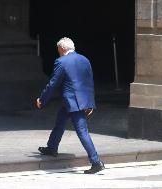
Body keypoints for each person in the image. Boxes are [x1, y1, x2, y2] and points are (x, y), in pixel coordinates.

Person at [36, 37, 105, 174]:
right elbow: (89, 83)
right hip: (76, 102)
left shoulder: (61, 62)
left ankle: (96, 161)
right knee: (60, 122)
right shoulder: (85, 59)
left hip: (73, 102)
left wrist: (42, 99)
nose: (58, 52)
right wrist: (90, 103)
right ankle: (52, 147)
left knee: (82, 131)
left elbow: (53, 84)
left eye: (58, 50)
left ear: (62, 49)